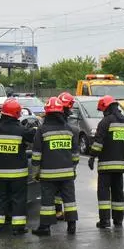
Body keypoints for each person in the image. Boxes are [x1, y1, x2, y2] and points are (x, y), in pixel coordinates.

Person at [0, 98, 36, 235]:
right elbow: (33, 138)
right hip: (19, 174)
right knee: (18, 199)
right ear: (17, 114)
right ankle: (18, 228)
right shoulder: (21, 131)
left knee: (0, 198)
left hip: (0, 173)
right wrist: (35, 128)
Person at [31, 97, 79, 236]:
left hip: (48, 175)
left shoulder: (42, 130)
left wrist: (35, 173)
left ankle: (45, 228)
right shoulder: (69, 130)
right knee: (69, 200)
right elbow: (75, 154)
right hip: (67, 175)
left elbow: (36, 155)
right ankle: (71, 227)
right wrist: (73, 169)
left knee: (47, 201)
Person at [89, 95, 124, 229]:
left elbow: (98, 143)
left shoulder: (105, 122)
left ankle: (105, 221)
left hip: (105, 166)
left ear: (106, 108)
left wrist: (92, 157)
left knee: (103, 193)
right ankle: (118, 220)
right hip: (120, 166)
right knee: (118, 192)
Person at [54, 92, 77, 221]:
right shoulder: (65, 124)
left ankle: (58, 211)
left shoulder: (59, 118)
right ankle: (60, 212)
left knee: (57, 190)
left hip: (55, 163)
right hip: (64, 164)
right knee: (62, 191)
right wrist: (73, 166)